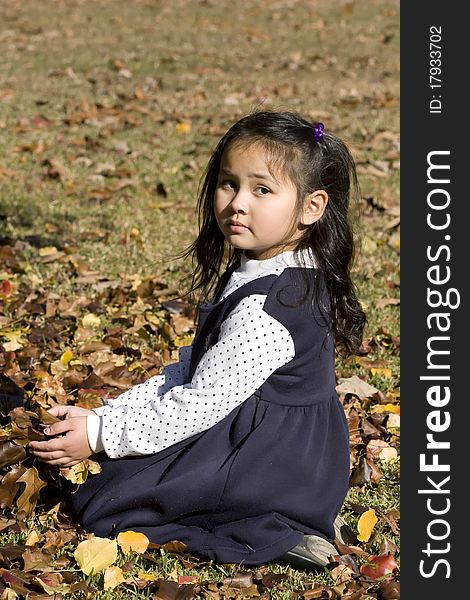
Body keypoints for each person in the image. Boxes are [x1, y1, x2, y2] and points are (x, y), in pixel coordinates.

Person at [29, 110, 366, 571]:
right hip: (281, 450)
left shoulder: (270, 308)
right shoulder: (273, 264)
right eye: (229, 183)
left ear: (312, 207)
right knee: (117, 469)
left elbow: (196, 403)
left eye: (262, 189)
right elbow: (193, 370)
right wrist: (108, 415)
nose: (237, 203)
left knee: (111, 497)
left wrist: (100, 435)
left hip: (270, 466)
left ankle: (276, 526)